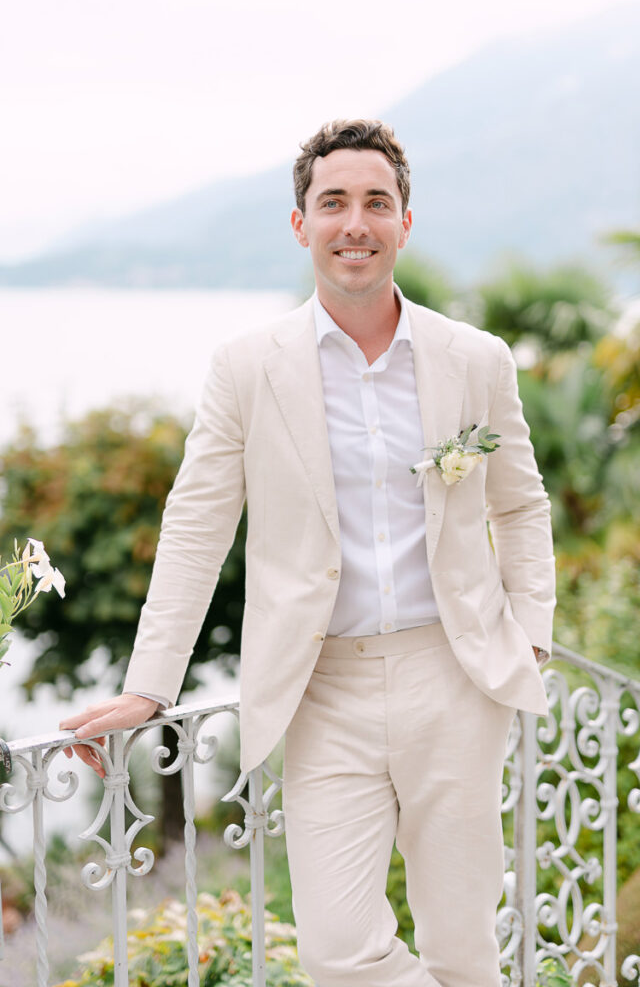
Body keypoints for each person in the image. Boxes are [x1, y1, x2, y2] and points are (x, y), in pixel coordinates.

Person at [61, 119, 555, 987]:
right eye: (333, 203)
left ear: (405, 220)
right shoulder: (247, 367)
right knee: (337, 955)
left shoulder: (474, 359)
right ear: (301, 224)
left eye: (375, 202)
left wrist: (532, 636)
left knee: (464, 949)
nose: (354, 222)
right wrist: (150, 685)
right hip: (319, 691)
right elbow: (195, 527)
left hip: (455, 677)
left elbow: (519, 504)